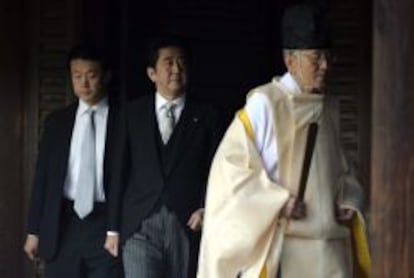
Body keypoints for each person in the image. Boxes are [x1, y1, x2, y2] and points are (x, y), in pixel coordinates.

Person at [197, 3, 371, 278]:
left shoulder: (330, 107)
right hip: (285, 244)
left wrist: (348, 196)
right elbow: (230, 172)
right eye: (316, 58)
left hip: (332, 247)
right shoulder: (264, 104)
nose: (325, 66)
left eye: (328, 57)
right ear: (291, 61)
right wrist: (276, 200)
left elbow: (343, 167)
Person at [105, 35, 223, 278]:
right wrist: (113, 229)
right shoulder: (131, 114)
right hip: (139, 223)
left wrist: (204, 207)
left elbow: (217, 169)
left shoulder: (207, 116)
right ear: (152, 73)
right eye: (168, 63)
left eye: (181, 62)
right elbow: (118, 171)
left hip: (187, 223)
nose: (176, 69)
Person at [24, 44, 122, 278]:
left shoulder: (124, 120)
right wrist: (33, 231)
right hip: (62, 223)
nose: (84, 83)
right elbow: (43, 179)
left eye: (91, 75)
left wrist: (116, 227)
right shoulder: (57, 122)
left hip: (105, 223)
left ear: (106, 76)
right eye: (77, 76)